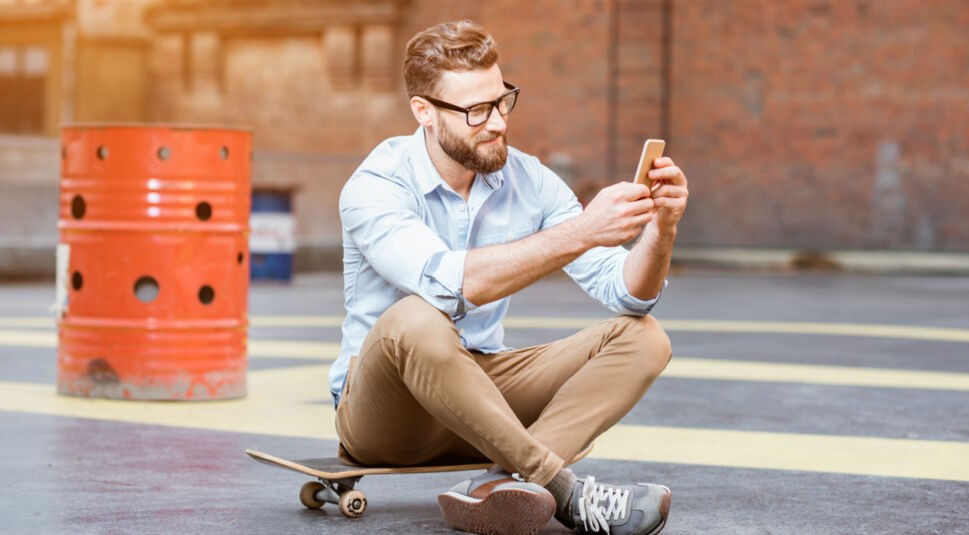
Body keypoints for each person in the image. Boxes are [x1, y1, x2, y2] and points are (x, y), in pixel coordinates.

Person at [331, 19, 688, 535]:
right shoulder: (376, 185)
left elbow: (626, 294)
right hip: (386, 414)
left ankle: (499, 484)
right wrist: (585, 230)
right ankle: (563, 488)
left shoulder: (530, 179)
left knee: (644, 338)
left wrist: (662, 230)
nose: (498, 122)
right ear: (423, 112)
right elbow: (448, 285)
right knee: (416, 316)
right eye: (476, 110)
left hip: (482, 402)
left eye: (502, 101)